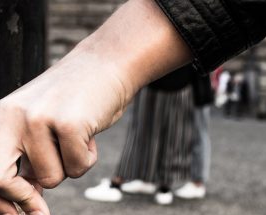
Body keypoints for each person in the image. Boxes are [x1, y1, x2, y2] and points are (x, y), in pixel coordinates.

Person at [0, 0, 266, 215]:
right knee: (165, 133)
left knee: (173, 132)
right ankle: (157, 182)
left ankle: (165, 182)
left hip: (176, 72)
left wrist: (108, 56)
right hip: (172, 65)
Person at [83, 65, 197, 205]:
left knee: (142, 135)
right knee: (174, 136)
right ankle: (163, 187)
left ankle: (117, 183)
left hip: (155, 79)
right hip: (182, 81)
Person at [174, 71, 214, 199]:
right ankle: (197, 180)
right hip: (198, 92)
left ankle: (198, 181)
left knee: (199, 135)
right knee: (198, 135)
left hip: (198, 94)